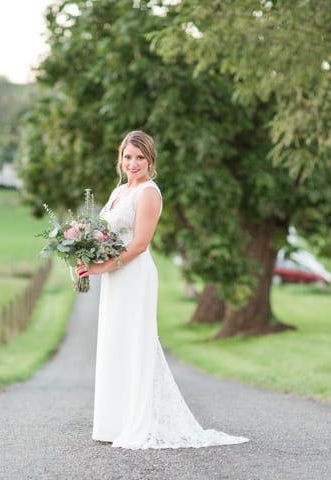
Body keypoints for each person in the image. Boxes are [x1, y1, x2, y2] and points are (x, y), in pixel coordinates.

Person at [76, 131, 248, 449]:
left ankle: (137, 421)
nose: (133, 163)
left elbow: (140, 243)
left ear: (150, 160)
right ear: (120, 158)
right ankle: (113, 424)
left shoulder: (149, 193)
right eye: (128, 157)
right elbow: (103, 233)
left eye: (140, 157)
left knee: (134, 341)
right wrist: (83, 248)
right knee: (114, 341)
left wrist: (100, 267)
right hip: (115, 277)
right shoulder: (119, 191)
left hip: (133, 275)